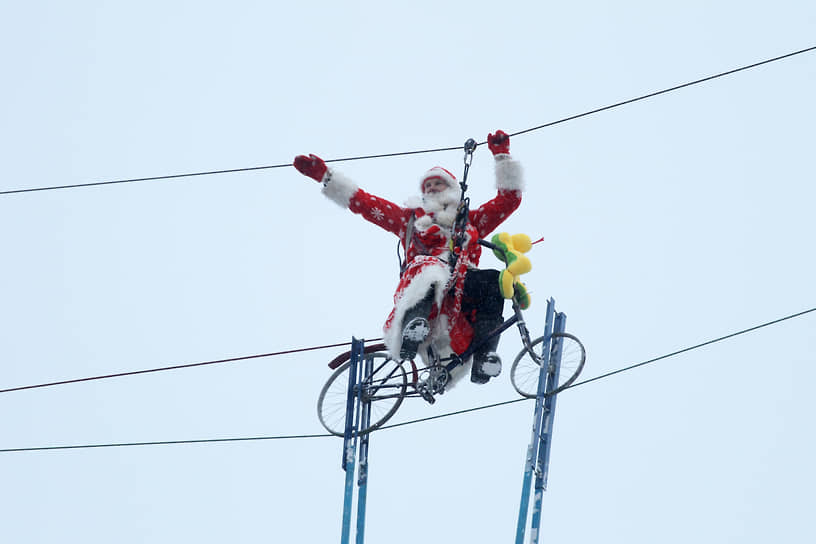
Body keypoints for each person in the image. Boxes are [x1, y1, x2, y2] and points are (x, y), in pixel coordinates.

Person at [293, 130, 524, 384]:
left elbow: (508, 202)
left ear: (452, 189)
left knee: (493, 281)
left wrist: (502, 157)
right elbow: (369, 205)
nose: (433, 188)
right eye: (428, 186)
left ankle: (485, 356)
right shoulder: (411, 221)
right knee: (431, 267)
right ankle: (414, 326)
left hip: (458, 302)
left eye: (439, 183)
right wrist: (327, 177)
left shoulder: (470, 221)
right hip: (426, 288)